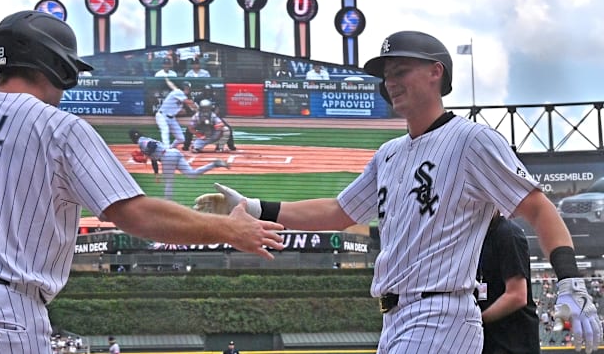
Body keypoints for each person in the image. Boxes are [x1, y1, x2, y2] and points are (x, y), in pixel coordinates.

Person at [0, 10, 285, 354]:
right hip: (1, 314)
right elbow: (134, 213)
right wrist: (229, 229)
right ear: (56, 66)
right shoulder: (58, 127)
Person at [193, 31, 602, 353]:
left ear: (435, 72)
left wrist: (570, 279)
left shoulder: (471, 140)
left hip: (442, 313)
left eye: (400, 70)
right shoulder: (389, 153)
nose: (390, 82)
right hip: (396, 317)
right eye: (387, 75)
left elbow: (538, 207)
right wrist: (252, 205)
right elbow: (339, 211)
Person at [478, 213, 540, 354]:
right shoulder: (479, 235)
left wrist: (477, 320)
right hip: (491, 340)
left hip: (513, 343)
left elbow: (517, 296)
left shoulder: (508, 234)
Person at [129, 128, 229, 200]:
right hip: (174, 153)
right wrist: (156, 174)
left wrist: (146, 155)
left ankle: (168, 206)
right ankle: (215, 164)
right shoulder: (144, 140)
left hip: (167, 157)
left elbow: (152, 146)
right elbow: (154, 159)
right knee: (192, 174)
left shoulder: (141, 142)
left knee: (168, 182)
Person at [183, 84, 236, 152]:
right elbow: (194, 106)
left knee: (227, 128)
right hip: (200, 117)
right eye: (206, 91)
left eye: (209, 91)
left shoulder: (215, 97)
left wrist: (213, 118)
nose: (207, 93)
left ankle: (229, 146)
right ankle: (186, 145)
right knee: (189, 129)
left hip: (213, 116)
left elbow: (218, 108)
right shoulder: (199, 97)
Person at [156, 79, 197, 148]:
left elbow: (181, 111)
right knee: (165, 130)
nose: (188, 90)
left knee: (181, 139)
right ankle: (166, 149)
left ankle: (171, 147)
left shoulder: (182, 96)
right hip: (162, 116)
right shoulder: (178, 92)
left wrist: (186, 111)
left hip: (171, 118)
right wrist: (197, 107)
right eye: (187, 88)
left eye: (189, 88)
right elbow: (188, 102)